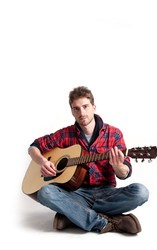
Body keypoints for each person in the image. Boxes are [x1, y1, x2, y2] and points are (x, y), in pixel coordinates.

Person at [28, 86, 149, 234]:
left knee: (141, 192)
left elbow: (125, 173)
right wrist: (42, 162)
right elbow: (34, 147)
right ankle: (106, 222)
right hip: (76, 193)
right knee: (45, 192)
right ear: (72, 111)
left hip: (107, 194)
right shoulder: (66, 134)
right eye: (76, 109)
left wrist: (118, 166)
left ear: (94, 107)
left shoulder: (113, 133)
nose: (82, 113)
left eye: (85, 107)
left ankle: (73, 215)